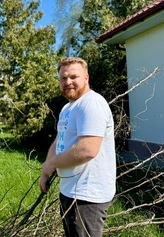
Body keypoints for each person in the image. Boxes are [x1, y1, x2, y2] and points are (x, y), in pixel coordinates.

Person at [39, 57, 116, 237]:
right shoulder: (68, 107)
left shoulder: (91, 104)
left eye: (74, 77)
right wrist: (45, 172)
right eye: (63, 78)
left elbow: (88, 149)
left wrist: (52, 164)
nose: (68, 82)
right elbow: (59, 140)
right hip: (70, 190)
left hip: (87, 196)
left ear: (86, 78)